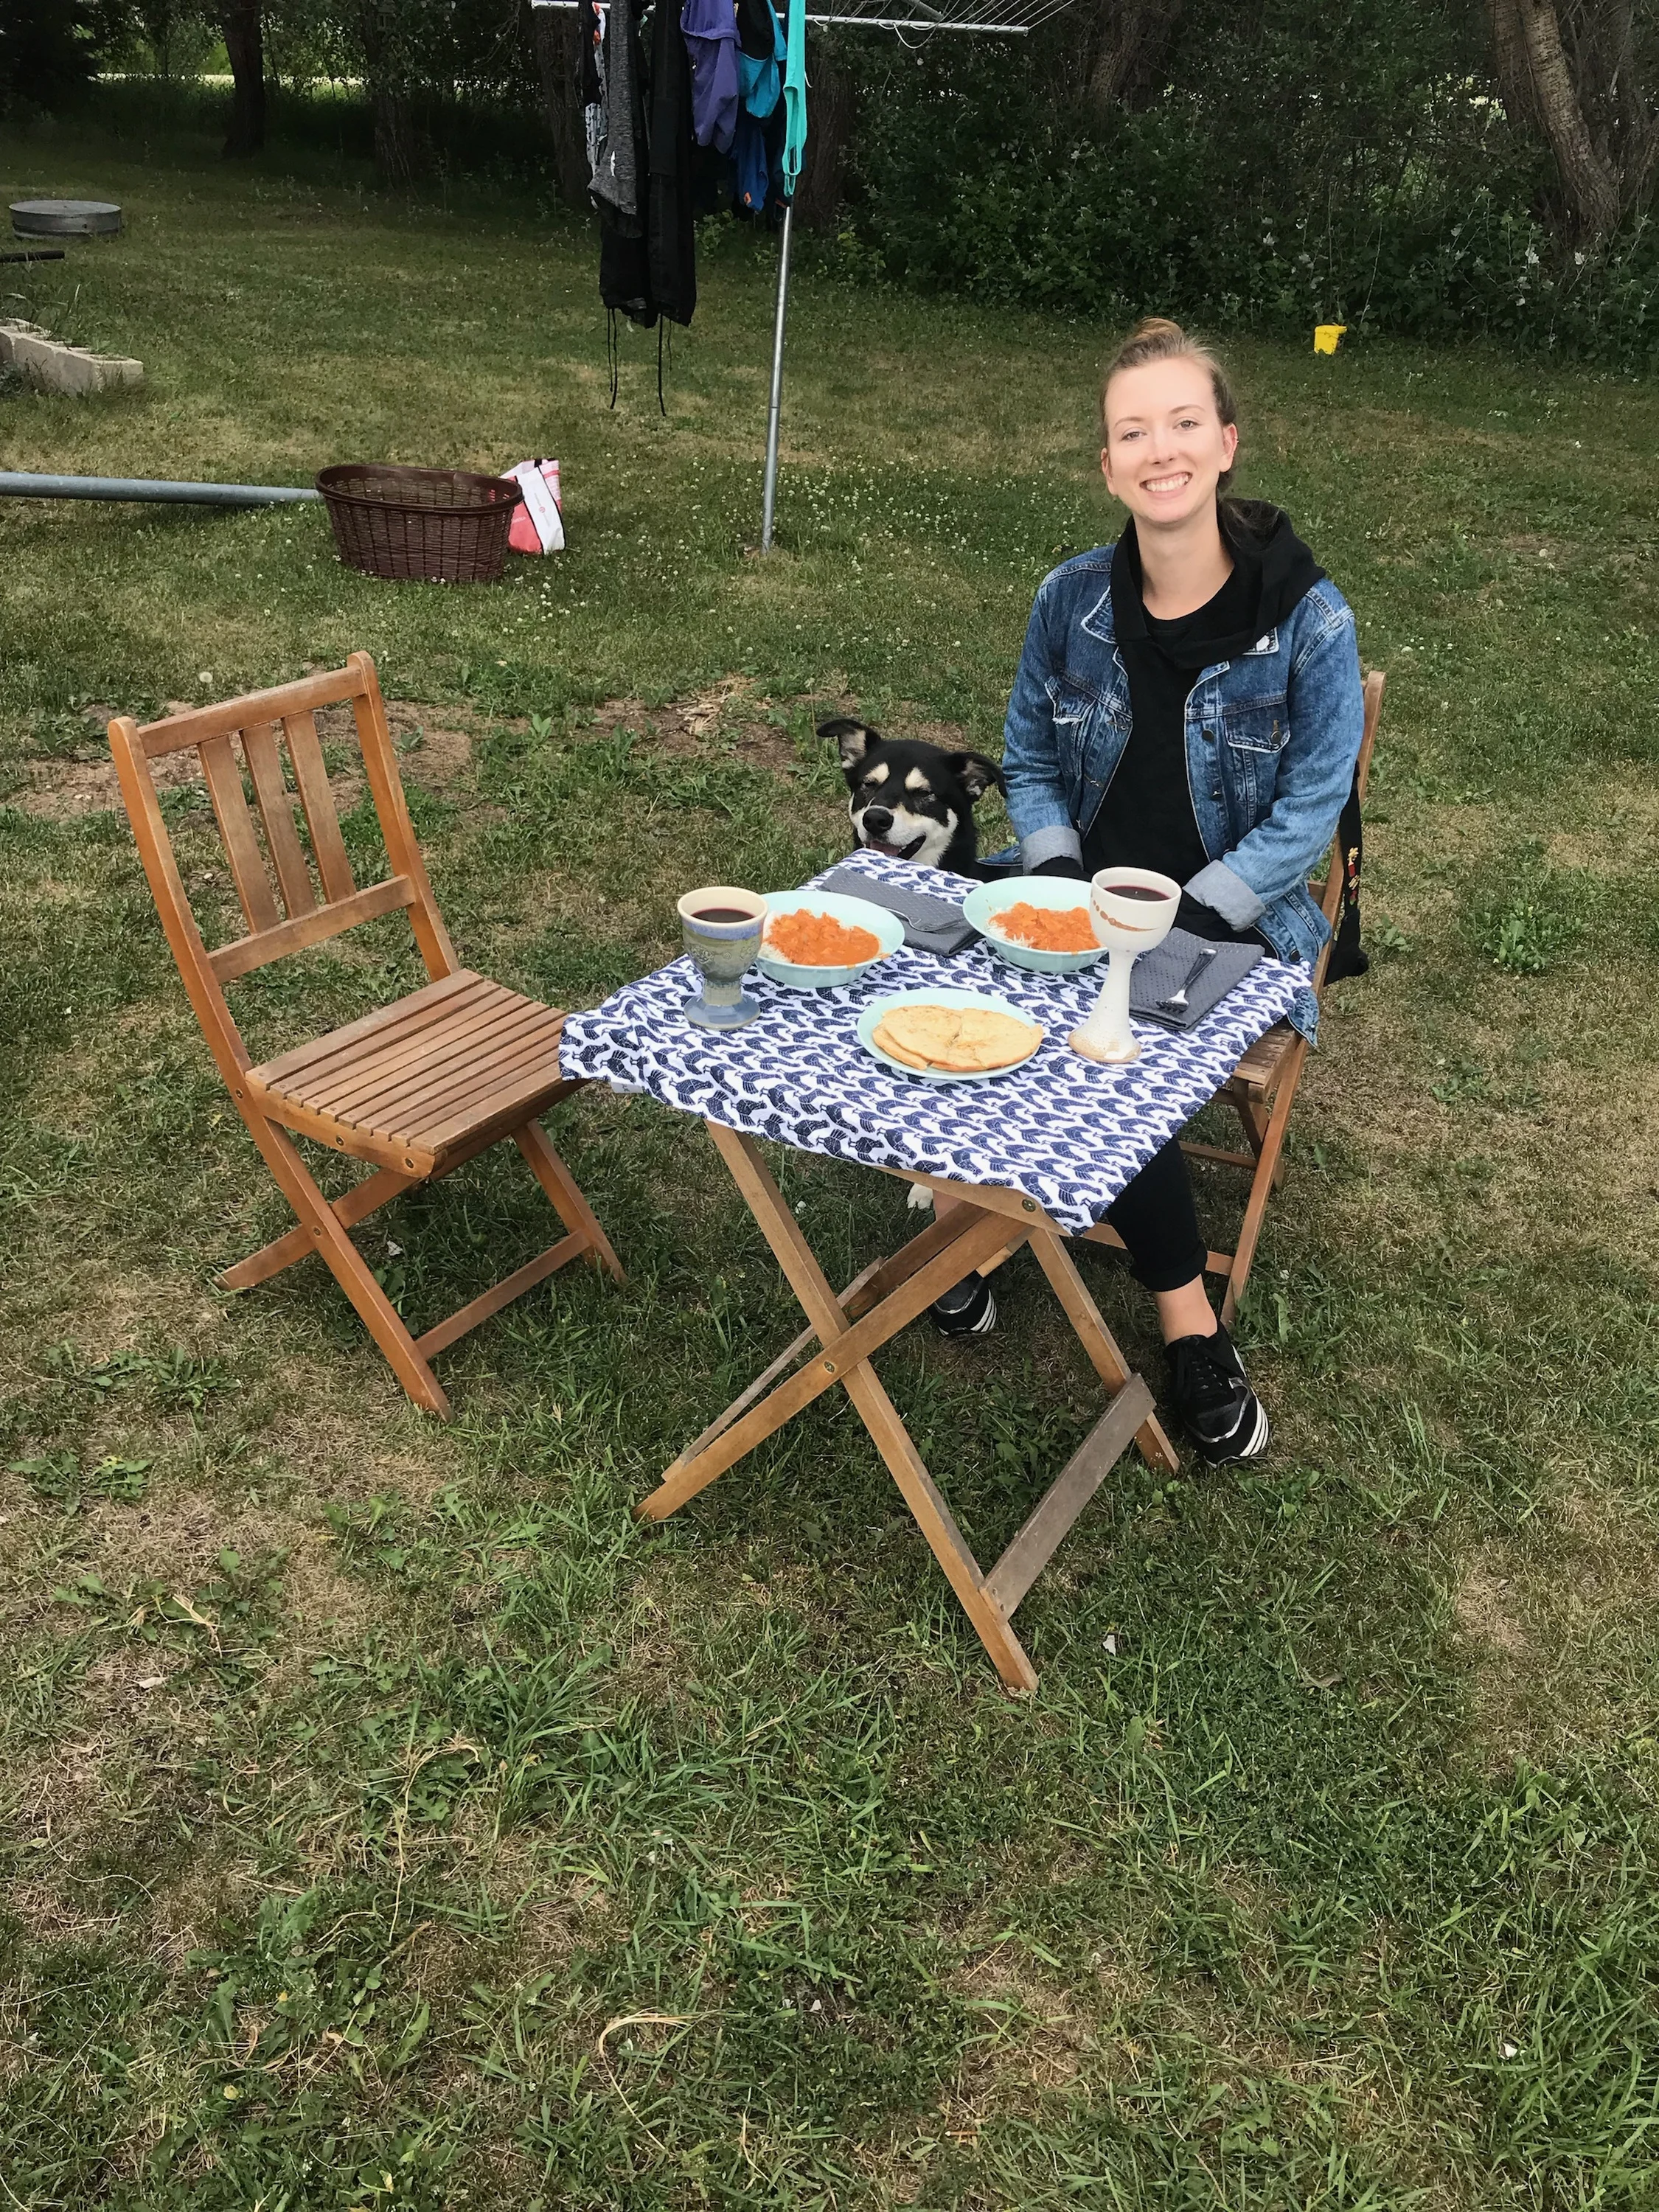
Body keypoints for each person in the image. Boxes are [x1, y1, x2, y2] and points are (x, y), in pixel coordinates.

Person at [930, 316, 1365, 1467]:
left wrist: (1192, 908)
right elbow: (1025, 759)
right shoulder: (1068, 597)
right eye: (1133, 432)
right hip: (1073, 888)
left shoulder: (1309, 621)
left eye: (1182, 424)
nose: (1158, 449)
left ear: (1225, 444)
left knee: (1115, 1044)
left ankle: (1186, 1322)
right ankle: (974, 1229)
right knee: (929, 953)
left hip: (1229, 916)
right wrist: (1058, 874)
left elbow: (1312, 807)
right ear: (1108, 465)